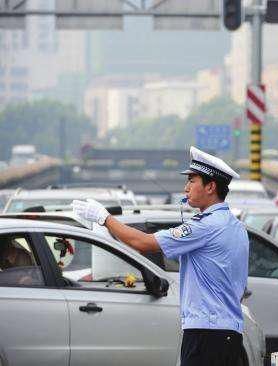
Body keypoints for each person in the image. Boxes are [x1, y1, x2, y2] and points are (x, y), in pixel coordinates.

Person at [71, 146, 249, 366]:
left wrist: (104, 218)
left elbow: (143, 243)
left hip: (206, 333)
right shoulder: (236, 226)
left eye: (192, 181)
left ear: (211, 186)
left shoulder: (205, 226)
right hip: (229, 332)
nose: (186, 188)